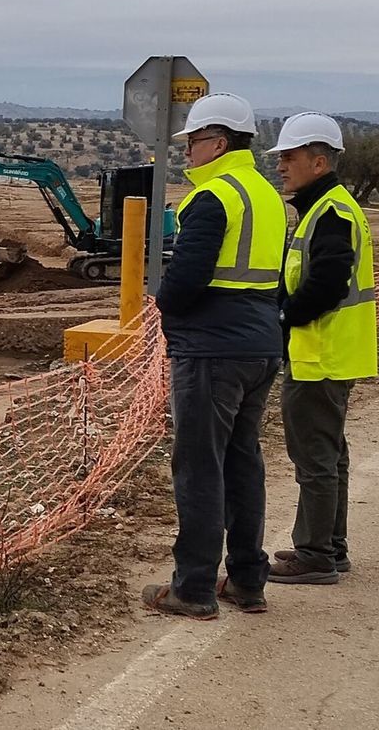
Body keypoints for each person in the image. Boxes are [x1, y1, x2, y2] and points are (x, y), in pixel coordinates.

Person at [144, 92, 287, 619]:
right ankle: (248, 579)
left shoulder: (213, 198)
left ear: (219, 142)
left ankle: (194, 587)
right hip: (259, 344)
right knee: (242, 462)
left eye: (194, 142)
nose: (187, 153)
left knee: (200, 468)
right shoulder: (267, 195)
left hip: (212, 350)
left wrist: (166, 308)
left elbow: (182, 281)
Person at [266, 113, 377, 584]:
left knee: (314, 456)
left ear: (317, 161)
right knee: (329, 453)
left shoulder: (330, 211)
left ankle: (315, 554)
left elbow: (328, 283)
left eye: (288, 158)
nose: (281, 167)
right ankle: (329, 546)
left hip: (319, 353)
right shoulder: (328, 207)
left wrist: (284, 316)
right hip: (331, 351)